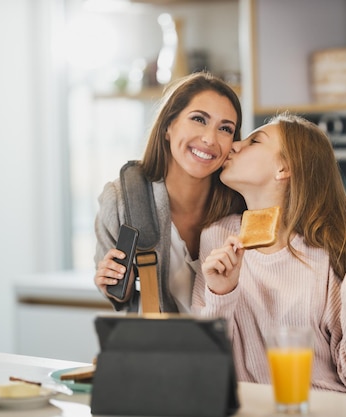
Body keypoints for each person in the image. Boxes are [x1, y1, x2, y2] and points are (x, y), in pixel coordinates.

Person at [192, 113, 346, 397]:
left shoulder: (327, 251)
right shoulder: (216, 238)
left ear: (284, 169)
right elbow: (202, 366)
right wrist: (221, 294)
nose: (235, 145)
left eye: (254, 141)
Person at [94, 71, 245, 313]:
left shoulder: (243, 205)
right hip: (159, 346)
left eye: (225, 129)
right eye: (199, 119)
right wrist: (116, 285)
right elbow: (121, 299)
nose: (209, 139)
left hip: (232, 349)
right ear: (168, 126)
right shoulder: (123, 201)